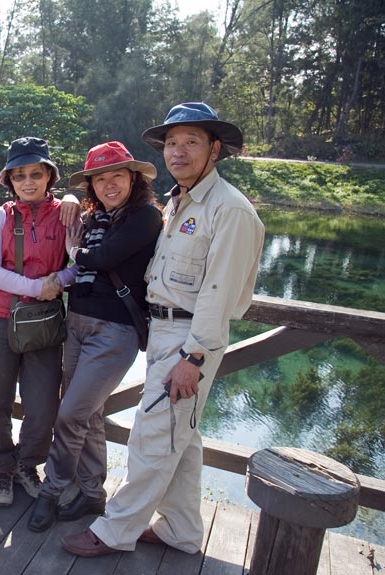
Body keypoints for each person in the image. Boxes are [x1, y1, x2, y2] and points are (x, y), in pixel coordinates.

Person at [62, 102, 265, 557]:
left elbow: (219, 292)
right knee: (181, 439)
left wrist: (194, 357)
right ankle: (181, 529)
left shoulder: (229, 210)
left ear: (215, 149)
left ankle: (115, 530)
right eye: (172, 143)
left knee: (152, 437)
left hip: (189, 340)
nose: (179, 151)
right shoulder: (179, 201)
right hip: (162, 330)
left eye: (191, 141)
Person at [27, 141, 163, 532]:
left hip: (115, 331)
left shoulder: (145, 216)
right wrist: (70, 200)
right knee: (90, 414)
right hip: (77, 323)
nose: (109, 185)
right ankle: (91, 492)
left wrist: (74, 250)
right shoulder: (93, 218)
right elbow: (69, 214)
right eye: (100, 179)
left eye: (117, 176)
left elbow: (102, 259)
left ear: (133, 179)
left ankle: (51, 491)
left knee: (70, 414)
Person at [0, 137, 77, 506]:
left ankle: (27, 463)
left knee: (43, 403)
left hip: (44, 322)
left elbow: (81, 261)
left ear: (49, 175)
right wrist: (37, 286)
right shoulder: (0, 216)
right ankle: (2, 467)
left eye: (36, 174)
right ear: (10, 181)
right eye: (19, 176)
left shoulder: (66, 214)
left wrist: (59, 280)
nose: (28, 182)